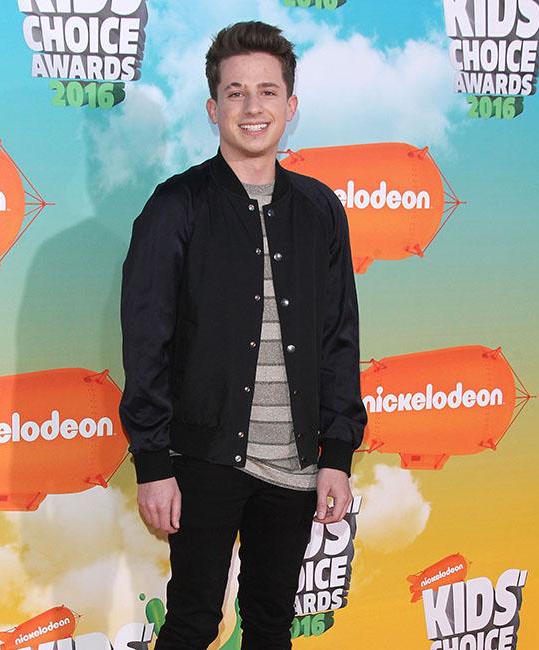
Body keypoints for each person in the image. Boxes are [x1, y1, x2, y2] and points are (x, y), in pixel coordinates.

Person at [119, 20, 367, 650]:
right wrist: (153, 463)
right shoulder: (176, 205)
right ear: (214, 108)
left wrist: (336, 455)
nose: (252, 107)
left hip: (296, 465)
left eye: (267, 91)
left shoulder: (320, 209)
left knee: (271, 625)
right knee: (192, 622)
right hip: (202, 460)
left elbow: (339, 337)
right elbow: (146, 341)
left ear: (290, 105)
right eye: (235, 92)